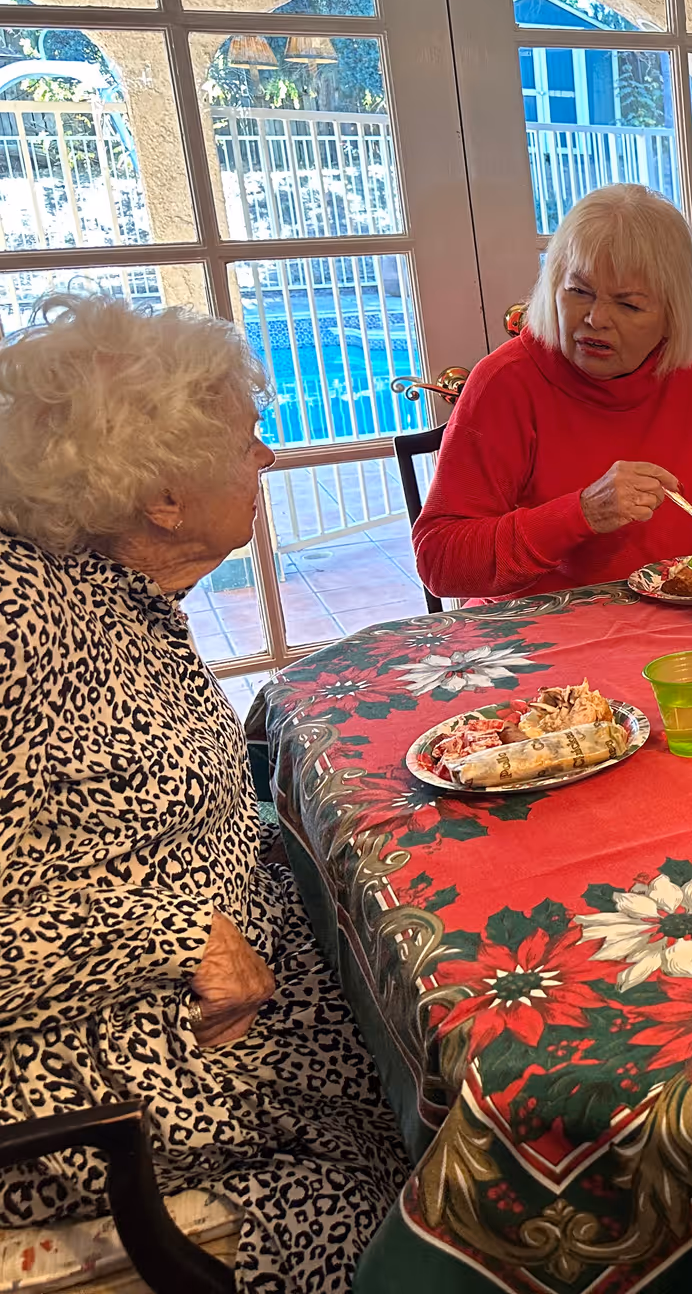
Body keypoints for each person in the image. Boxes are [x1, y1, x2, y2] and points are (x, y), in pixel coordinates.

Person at [0, 295, 409, 1289]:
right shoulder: (20, 620)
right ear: (164, 498)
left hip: (218, 999)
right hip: (99, 1083)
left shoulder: (115, 590)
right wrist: (177, 938)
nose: (266, 460)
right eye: (247, 441)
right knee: (436, 1159)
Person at [414, 184, 692, 599]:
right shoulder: (505, 383)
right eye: (578, 291)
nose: (595, 319)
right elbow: (442, 562)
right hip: (549, 642)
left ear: (673, 314)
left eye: (629, 305)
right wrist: (578, 514)